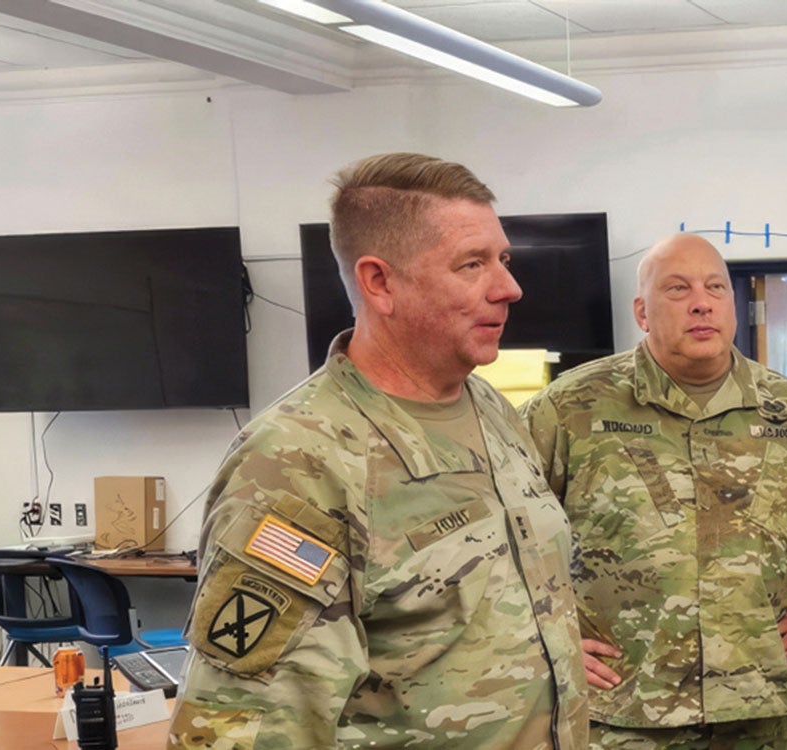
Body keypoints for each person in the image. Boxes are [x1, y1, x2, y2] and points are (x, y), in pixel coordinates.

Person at [168, 153, 588, 748]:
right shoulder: (298, 460)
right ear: (379, 282)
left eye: (504, 260)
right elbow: (242, 724)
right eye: (472, 264)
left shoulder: (490, 409)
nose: (509, 287)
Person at [521, 233, 787, 749]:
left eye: (715, 287)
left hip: (755, 713)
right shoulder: (569, 409)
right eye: (677, 288)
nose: (701, 301)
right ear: (642, 311)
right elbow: (493, 526)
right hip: (620, 715)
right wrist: (542, 636)